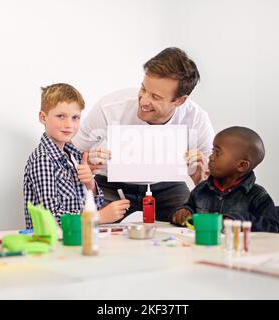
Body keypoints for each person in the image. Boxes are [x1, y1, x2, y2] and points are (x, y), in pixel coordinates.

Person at [72, 47, 215, 221]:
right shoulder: (110, 108)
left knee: (193, 220)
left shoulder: (197, 119)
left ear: (179, 101)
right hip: (109, 186)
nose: (144, 100)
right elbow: (71, 152)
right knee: (88, 221)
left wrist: (199, 178)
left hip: (168, 188)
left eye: (155, 96)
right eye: (143, 89)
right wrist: (88, 162)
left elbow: (212, 181)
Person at [24, 83, 130, 228]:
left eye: (75, 118)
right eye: (61, 116)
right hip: (53, 245)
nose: (69, 124)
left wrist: (90, 184)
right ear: (43, 117)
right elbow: (51, 220)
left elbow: (93, 204)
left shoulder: (74, 156)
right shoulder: (43, 160)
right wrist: (99, 217)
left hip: (75, 240)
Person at [171, 126, 279, 232]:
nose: (211, 157)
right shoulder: (201, 189)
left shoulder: (258, 196)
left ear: (242, 165)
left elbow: (273, 227)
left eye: (217, 153)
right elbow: (190, 209)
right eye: (212, 150)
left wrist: (238, 221)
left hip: (237, 249)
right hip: (203, 248)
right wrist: (184, 212)